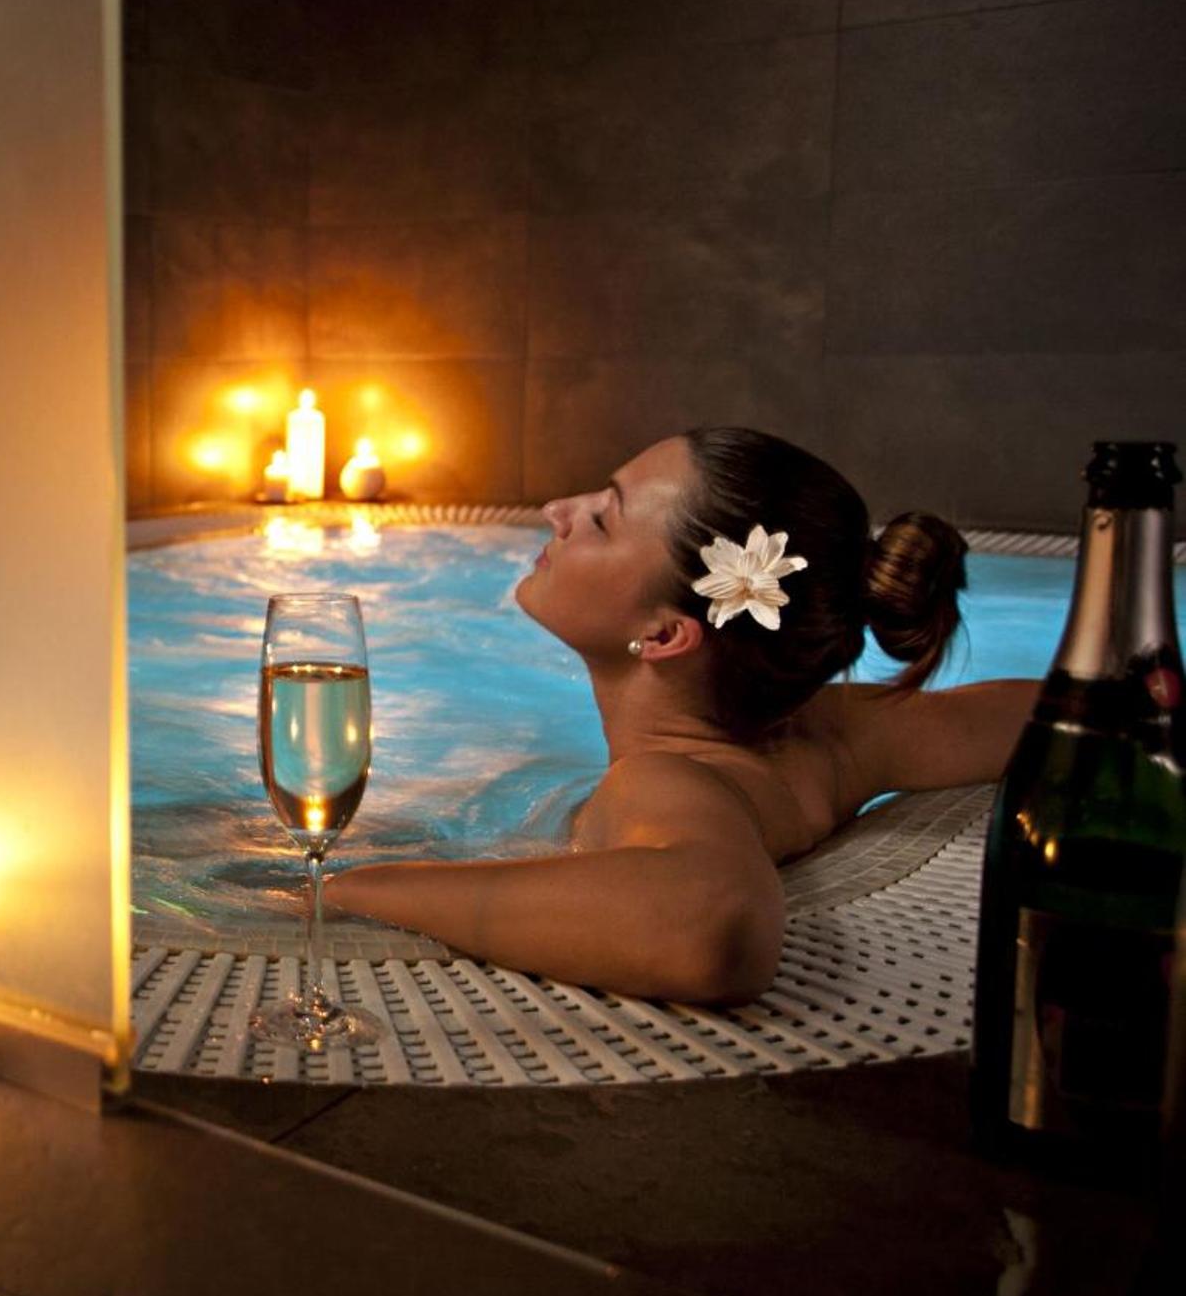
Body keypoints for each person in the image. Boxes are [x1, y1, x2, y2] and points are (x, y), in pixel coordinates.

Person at [326, 427, 1035, 1004]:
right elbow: (1041, 716)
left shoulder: (663, 782)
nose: (558, 510)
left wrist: (353, 889)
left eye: (601, 519)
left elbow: (715, 927)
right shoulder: (837, 732)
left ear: (666, 635)